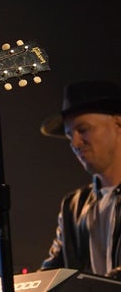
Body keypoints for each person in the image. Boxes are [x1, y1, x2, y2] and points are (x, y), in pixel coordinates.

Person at [40, 80, 121, 278]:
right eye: (70, 136)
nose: (75, 143)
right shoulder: (73, 206)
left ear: (118, 124)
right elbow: (51, 274)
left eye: (83, 129)